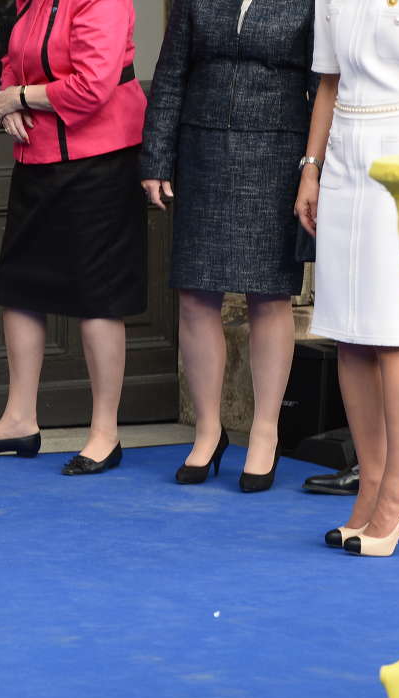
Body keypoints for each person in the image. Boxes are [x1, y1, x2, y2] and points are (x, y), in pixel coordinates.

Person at [0, 0, 148, 475]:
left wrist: (19, 97)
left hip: (102, 159)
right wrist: (9, 100)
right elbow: (13, 60)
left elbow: (93, 85)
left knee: (98, 296)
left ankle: (105, 432)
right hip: (36, 156)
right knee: (21, 285)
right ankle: (19, 419)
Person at [140, 0, 314, 491]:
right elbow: (171, 71)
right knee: (196, 294)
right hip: (202, 153)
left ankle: (265, 432)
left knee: (269, 295)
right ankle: (208, 430)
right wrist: (156, 157)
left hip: (278, 153)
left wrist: (313, 167)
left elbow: (323, 84)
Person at [295, 0, 399, 556]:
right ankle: (374, 484)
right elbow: (328, 84)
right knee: (350, 332)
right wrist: (311, 169)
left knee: (398, 330)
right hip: (344, 160)